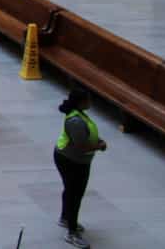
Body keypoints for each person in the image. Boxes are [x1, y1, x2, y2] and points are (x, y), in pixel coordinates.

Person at [55, 88, 107, 248]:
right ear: (81, 102)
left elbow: (87, 134)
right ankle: (72, 232)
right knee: (75, 194)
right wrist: (100, 146)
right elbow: (82, 146)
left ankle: (65, 218)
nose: (90, 102)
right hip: (71, 160)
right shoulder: (75, 121)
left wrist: (97, 140)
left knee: (70, 190)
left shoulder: (79, 114)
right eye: (88, 100)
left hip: (75, 160)